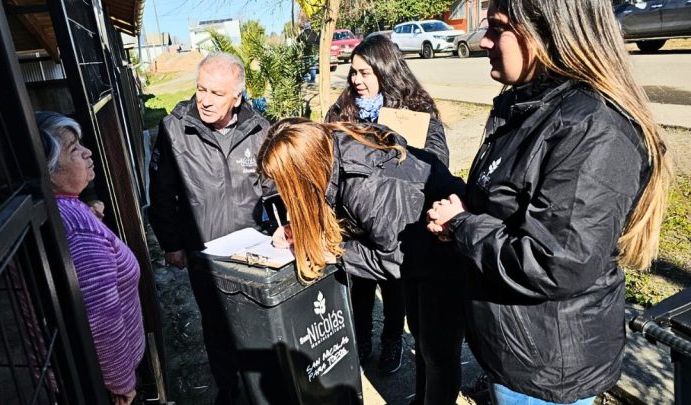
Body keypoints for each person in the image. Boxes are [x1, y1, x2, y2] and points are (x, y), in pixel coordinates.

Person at [426, 0, 672, 404]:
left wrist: (463, 225)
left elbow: (555, 263)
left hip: (548, 370)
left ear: (547, 32)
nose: (483, 40)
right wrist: (459, 217)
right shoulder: (526, 104)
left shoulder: (593, 127)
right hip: (517, 347)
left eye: (497, 27)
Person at [259, 118, 465, 402]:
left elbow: (395, 259)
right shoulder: (332, 154)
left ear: (306, 171)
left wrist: (336, 253)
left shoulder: (369, 187)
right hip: (418, 247)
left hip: (442, 254)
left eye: (287, 183)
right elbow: (338, 204)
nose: (284, 192)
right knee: (425, 339)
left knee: (437, 351)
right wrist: (300, 230)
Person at [325, 34, 463, 403]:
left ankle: (391, 343)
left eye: (365, 72)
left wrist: (394, 146)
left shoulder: (416, 110)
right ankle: (362, 342)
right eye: (353, 72)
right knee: (359, 289)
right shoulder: (343, 112)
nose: (357, 81)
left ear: (387, 70)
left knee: (399, 294)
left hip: (406, 231)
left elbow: (437, 166)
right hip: (356, 225)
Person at [147, 52, 272, 404]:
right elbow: (161, 192)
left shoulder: (259, 130)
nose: (204, 100)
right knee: (217, 326)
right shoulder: (175, 129)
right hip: (204, 252)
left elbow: (273, 188)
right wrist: (171, 243)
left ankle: (260, 388)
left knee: (257, 323)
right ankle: (228, 389)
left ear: (237, 97)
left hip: (252, 251)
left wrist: (281, 230)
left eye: (217, 93)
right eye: (201, 89)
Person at [36, 111, 144, 405]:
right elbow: (102, 321)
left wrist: (86, 210)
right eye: (74, 149)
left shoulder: (60, 208)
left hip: (75, 374)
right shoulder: (76, 232)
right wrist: (122, 383)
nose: (88, 152)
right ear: (49, 172)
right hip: (103, 386)